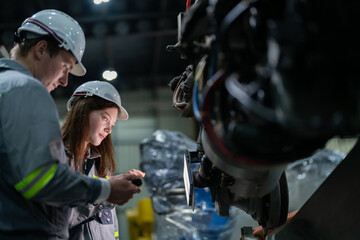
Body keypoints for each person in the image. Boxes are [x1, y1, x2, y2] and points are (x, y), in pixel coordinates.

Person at [0, 9, 142, 240]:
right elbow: (41, 179)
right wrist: (106, 190)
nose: (66, 80)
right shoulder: (25, 89)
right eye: (65, 66)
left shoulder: (5, 86)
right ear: (41, 49)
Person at [62, 80, 145, 240]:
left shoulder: (101, 168)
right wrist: (104, 194)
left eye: (112, 124)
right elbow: (56, 218)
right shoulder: (56, 158)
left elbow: (112, 228)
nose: (109, 129)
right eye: (105, 118)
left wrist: (112, 187)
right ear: (83, 110)